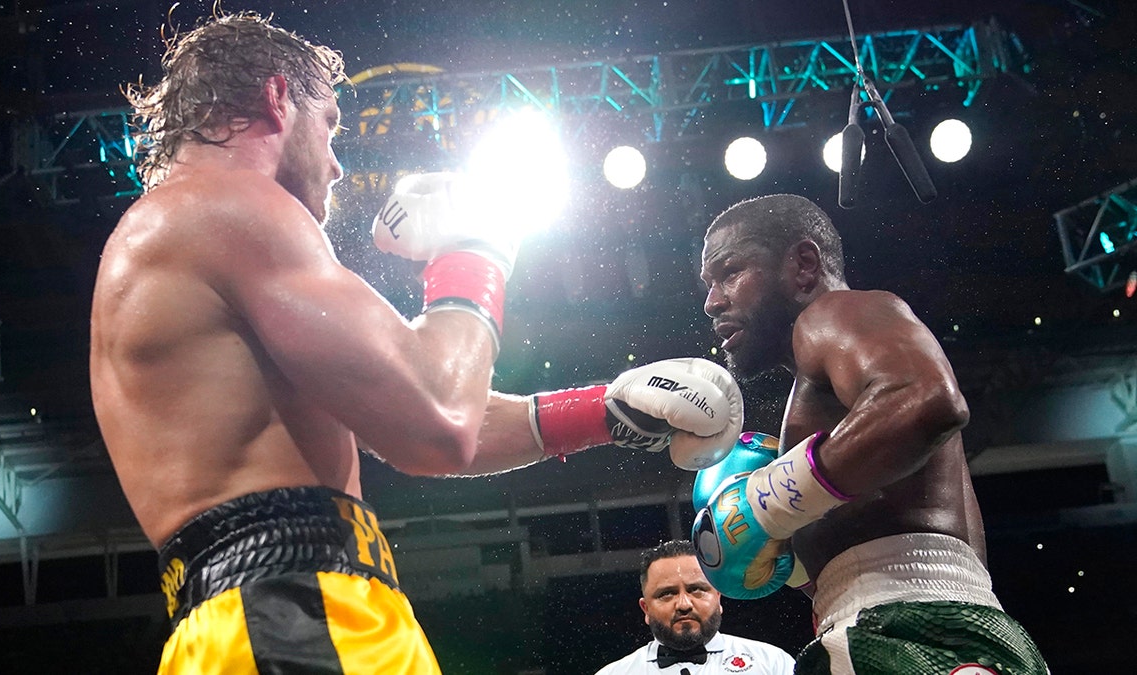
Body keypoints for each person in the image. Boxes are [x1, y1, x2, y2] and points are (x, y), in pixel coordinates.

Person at [89, 11, 743, 675]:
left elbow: (412, 410)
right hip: (295, 614)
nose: (338, 164)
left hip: (264, 614)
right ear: (278, 96)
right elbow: (439, 419)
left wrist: (607, 410)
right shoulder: (228, 205)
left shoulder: (184, 234)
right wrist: (475, 249)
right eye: (332, 125)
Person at [692, 194, 1049, 674]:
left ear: (803, 265)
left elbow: (926, 399)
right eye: (709, 283)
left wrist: (765, 502)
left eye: (730, 271)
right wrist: (784, 552)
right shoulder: (822, 385)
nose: (713, 301)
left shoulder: (834, 314)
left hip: (907, 626)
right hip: (926, 624)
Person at [594, 540, 795, 675]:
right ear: (646, 609)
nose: (684, 604)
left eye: (696, 590)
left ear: (718, 596)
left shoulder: (772, 664)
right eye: (667, 594)